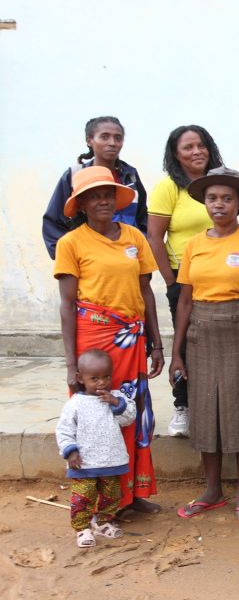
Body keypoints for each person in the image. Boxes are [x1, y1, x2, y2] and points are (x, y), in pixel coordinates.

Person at [54, 166, 164, 514]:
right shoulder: (70, 243)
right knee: (93, 419)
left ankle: (130, 495)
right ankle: (96, 500)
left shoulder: (134, 237)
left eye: (108, 194)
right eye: (94, 196)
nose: (103, 200)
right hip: (92, 344)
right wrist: (72, 363)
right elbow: (68, 304)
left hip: (132, 341)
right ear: (82, 204)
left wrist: (157, 343)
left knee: (130, 413)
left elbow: (145, 291)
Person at [170, 167, 239, 525]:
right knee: (205, 415)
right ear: (204, 202)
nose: (219, 204)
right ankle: (212, 491)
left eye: (227, 198)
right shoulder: (194, 246)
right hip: (201, 336)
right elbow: (184, 302)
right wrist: (176, 354)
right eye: (213, 197)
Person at [147, 125, 223, 437]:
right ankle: (183, 407)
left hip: (221, 276)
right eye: (188, 147)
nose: (196, 152)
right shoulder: (169, 188)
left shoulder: (218, 183)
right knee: (185, 342)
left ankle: (215, 406)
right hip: (183, 278)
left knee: (218, 343)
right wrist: (171, 281)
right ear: (176, 154)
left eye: (201, 145)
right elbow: (154, 236)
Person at [56, 349, 137, 548]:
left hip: (111, 460)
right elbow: (64, 429)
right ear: (80, 378)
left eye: (106, 377)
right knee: (83, 497)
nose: (102, 383)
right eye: (94, 378)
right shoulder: (76, 402)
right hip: (84, 463)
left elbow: (129, 418)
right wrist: (70, 451)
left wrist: (116, 403)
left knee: (112, 495)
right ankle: (82, 528)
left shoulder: (115, 397)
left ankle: (103, 522)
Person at [43, 116, 148, 260]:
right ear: (89, 140)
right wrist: (67, 258)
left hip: (128, 260)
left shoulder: (130, 176)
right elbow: (53, 221)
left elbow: (143, 218)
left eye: (118, 138)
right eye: (104, 137)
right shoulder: (74, 175)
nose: (112, 143)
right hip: (89, 262)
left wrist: (141, 253)